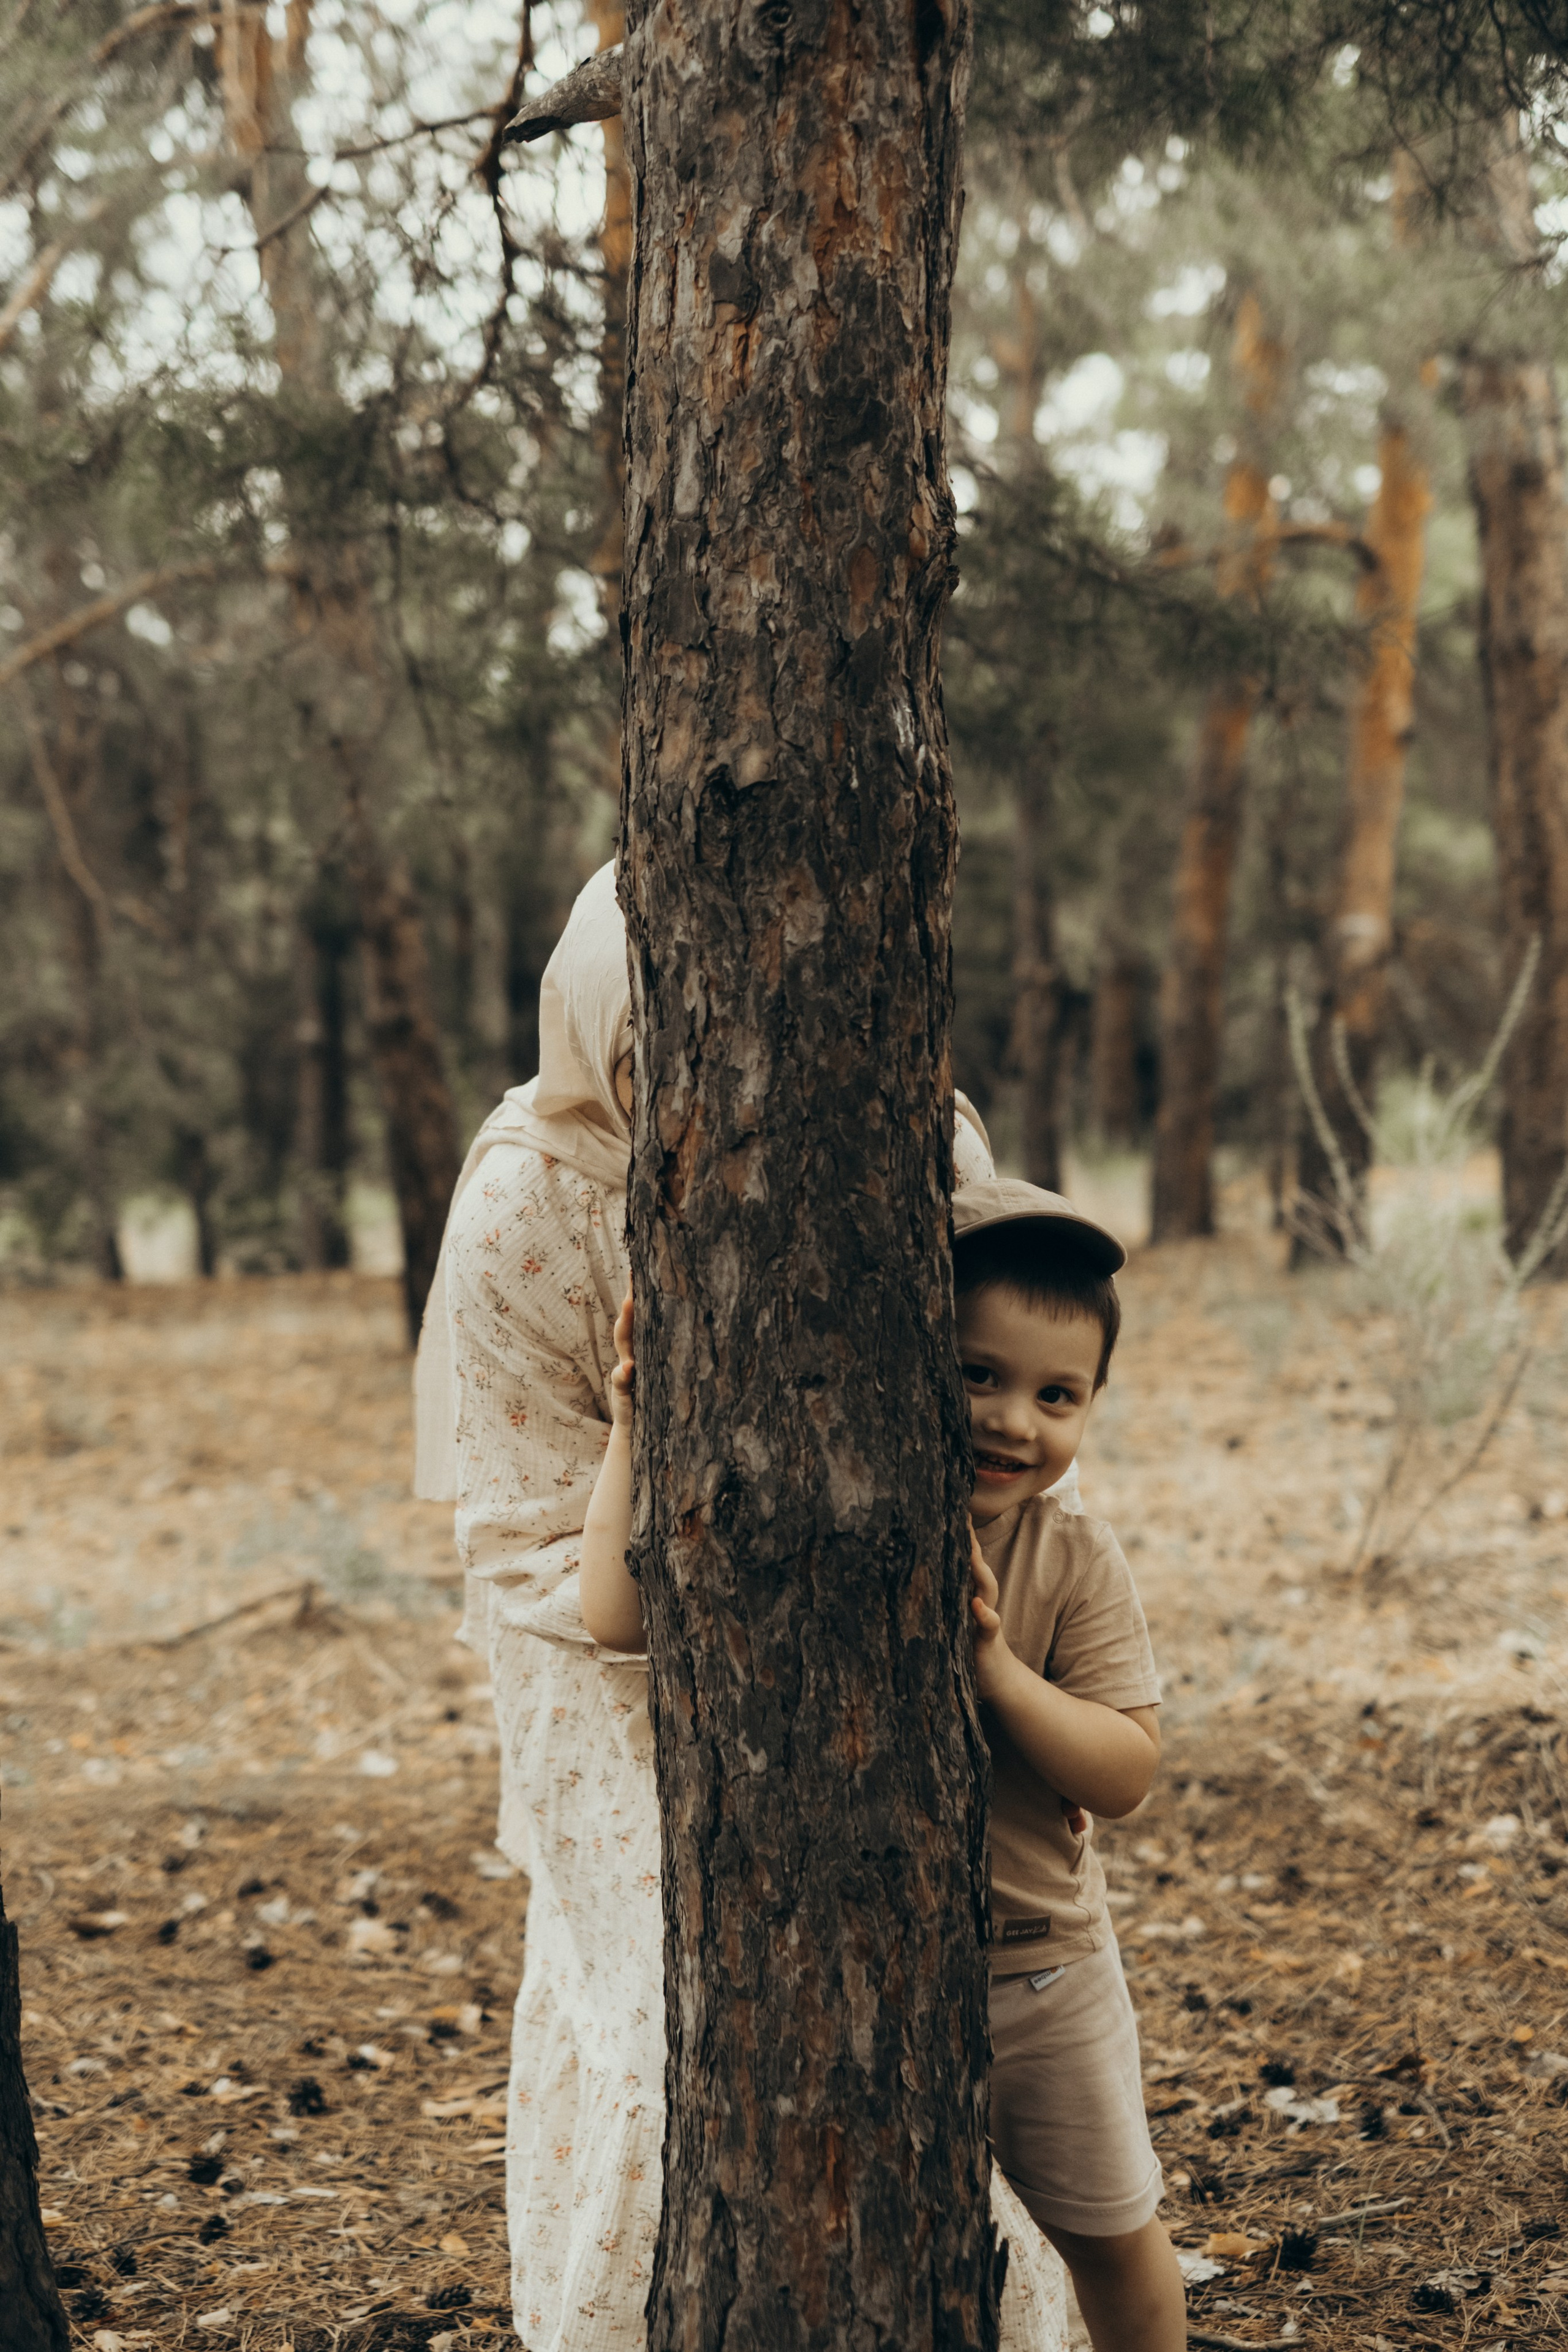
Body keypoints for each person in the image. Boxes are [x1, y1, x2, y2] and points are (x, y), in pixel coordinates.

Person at [415, 864, 1066, 2352]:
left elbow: (1016, 1412)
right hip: (600, 1635)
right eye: (659, 1055)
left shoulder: (917, 1140)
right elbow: (520, 1528)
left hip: (866, 1635)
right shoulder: (529, 1201)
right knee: (667, 2010)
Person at [957, 1178, 1187, 2352]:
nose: (1013, 1421)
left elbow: (1126, 1768)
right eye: (977, 1375)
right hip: (865, 1978)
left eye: (1058, 1395)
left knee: (1114, 2234)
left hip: (1041, 1976)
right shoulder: (824, 1514)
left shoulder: (1075, 1558)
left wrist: (999, 1672)